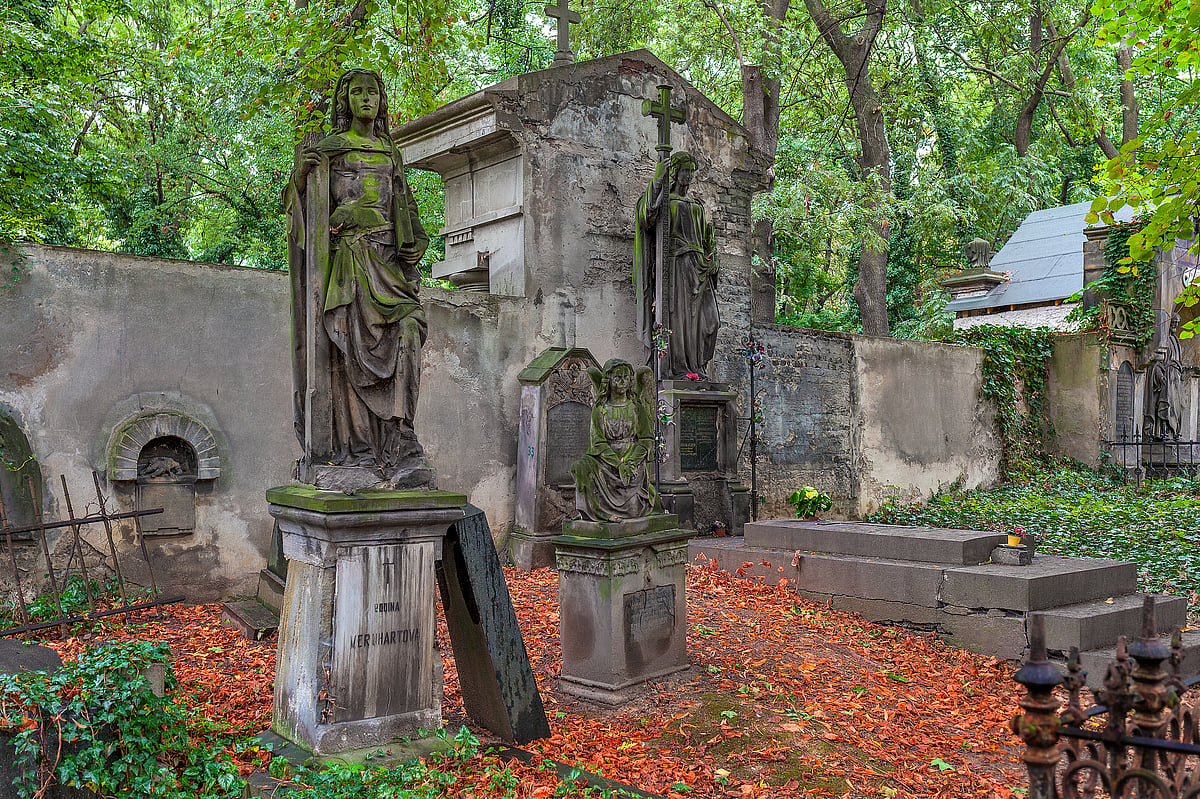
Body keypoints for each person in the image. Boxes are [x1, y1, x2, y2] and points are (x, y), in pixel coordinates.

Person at [285, 69, 431, 484]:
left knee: (408, 330)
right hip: (350, 264)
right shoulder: (330, 149)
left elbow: (406, 206)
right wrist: (300, 179)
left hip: (388, 264)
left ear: (381, 101)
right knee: (345, 353)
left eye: (373, 92)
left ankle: (400, 436)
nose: (367, 98)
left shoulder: (390, 151)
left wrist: (417, 241)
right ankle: (357, 449)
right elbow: (303, 210)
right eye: (358, 92)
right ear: (345, 101)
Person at [633, 150, 721, 379]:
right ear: (675, 172)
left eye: (691, 172)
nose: (688, 176)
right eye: (684, 171)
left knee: (710, 322)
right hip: (675, 267)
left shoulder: (696, 204)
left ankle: (696, 368)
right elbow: (646, 216)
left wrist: (713, 260)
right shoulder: (665, 201)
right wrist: (657, 179)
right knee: (678, 321)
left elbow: (706, 240)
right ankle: (677, 369)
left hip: (699, 270)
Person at [570, 359, 661, 521]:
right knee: (581, 466)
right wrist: (618, 464)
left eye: (626, 378)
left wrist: (631, 462)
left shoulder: (636, 407)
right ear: (608, 381)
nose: (622, 382)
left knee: (633, 509)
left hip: (633, 460)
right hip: (606, 461)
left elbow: (646, 439)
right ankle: (601, 514)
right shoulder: (600, 408)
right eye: (618, 378)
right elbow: (598, 442)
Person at [1144, 314, 1185, 441]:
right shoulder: (1163, 339)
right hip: (1167, 378)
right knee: (1165, 406)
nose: (1175, 325)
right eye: (1173, 323)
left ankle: (1173, 434)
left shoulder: (1175, 340)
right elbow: (1156, 362)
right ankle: (1163, 434)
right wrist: (1160, 375)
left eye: (1177, 323)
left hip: (1175, 379)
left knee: (1178, 407)